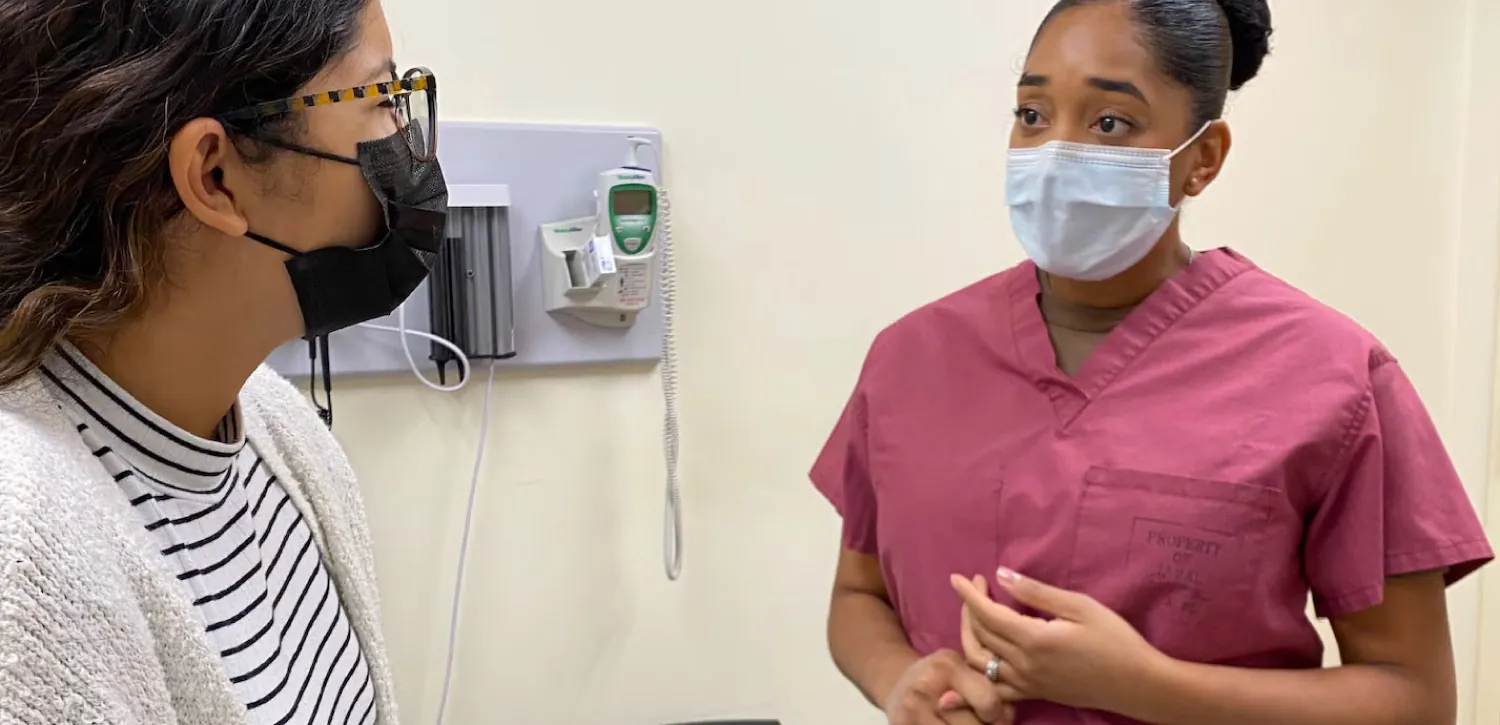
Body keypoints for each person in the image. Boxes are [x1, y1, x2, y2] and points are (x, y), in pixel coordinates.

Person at [810, 1, 1494, 724]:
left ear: (1203, 158)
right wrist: (900, 681)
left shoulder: (1332, 376)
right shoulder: (913, 357)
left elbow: (1415, 699)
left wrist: (1147, 686)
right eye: (1033, 115)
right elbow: (858, 595)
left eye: (1110, 123)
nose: (1055, 154)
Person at [0, 0, 445, 722]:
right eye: (382, 98)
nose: (407, 137)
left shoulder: (277, 430)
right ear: (214, 177)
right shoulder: (25, 568)